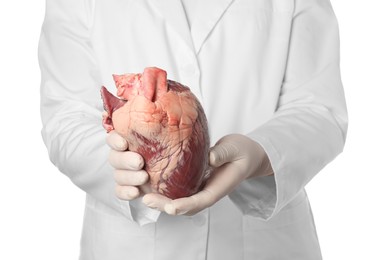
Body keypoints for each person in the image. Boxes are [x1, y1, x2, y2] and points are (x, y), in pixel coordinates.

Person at [38, 0, 348, 259]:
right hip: (130, 247)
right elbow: (66, 115)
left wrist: (264, 154)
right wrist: (118, 166)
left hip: (264, 246)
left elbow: (318, 108)